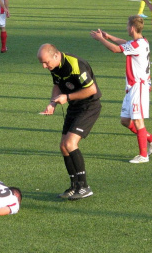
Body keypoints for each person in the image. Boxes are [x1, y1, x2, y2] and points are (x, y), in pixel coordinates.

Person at [90, 15, 152, 164]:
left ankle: (143, 155)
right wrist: (108, 36)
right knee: (125, 121)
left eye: (127, 26)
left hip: (139, 87)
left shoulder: (137, 45)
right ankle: (151, 139)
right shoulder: (141, 42)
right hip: (132, 87)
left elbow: (116, 49)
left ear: (132, 28)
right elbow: (125, 44)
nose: (126, 28)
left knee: (137, 121)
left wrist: (101, 39)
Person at [38, 44, 101, 199]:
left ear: (56, 55)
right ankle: (74, 186)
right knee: (63, 147)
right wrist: (52, 102)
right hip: (74, 106)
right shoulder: (55, 67)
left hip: (89, 106)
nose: (44, 66)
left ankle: (84, 186)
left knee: (70, 144)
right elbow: (57, 85)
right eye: (42, 63)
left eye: (46, 62)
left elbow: (91, 90)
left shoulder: (76, 65)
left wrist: (67, 97)